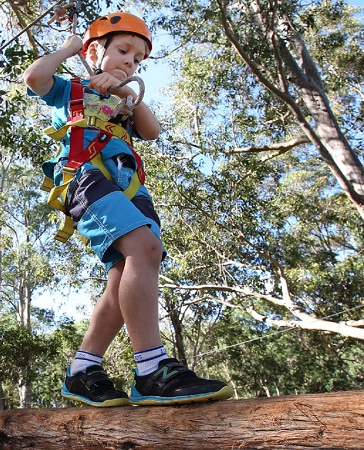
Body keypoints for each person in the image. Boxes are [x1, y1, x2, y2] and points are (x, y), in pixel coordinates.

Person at [24, 12, 234, 406]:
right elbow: (35, 79)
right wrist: (68, 49)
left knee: (126, 271)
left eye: (137, 59)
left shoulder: (125, 102)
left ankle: (83, 370)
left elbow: (152, 131)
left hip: (127, 184)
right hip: (84, 176)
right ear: (94, 52)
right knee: (145, 249)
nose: (129, 61)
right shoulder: (71, 88)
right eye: (122, 50)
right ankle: (151, 370)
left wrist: (126, 93)